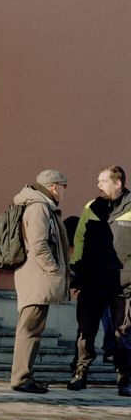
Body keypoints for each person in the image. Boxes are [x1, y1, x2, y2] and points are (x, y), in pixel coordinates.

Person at [68, 165, 131, 397]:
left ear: (118, 183)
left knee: (123, 334)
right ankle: (79, 373)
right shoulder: (91, 207)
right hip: (92, 281)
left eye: (103, 181)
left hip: (123, 284)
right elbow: (80, 240)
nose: (98, 185)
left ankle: (125, 378)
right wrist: (77, 274)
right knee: (85, 331)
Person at [9, 169, 70, 394]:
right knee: (30, 330)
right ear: (54, 186)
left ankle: (23, 376)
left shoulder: (41, 206)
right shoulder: (38, 208)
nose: (64, 190)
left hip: (36, 277)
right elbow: (39, 244)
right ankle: (22, 378)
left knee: (32, 329)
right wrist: (53, 269)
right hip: (36, 278)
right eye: (63, 186)